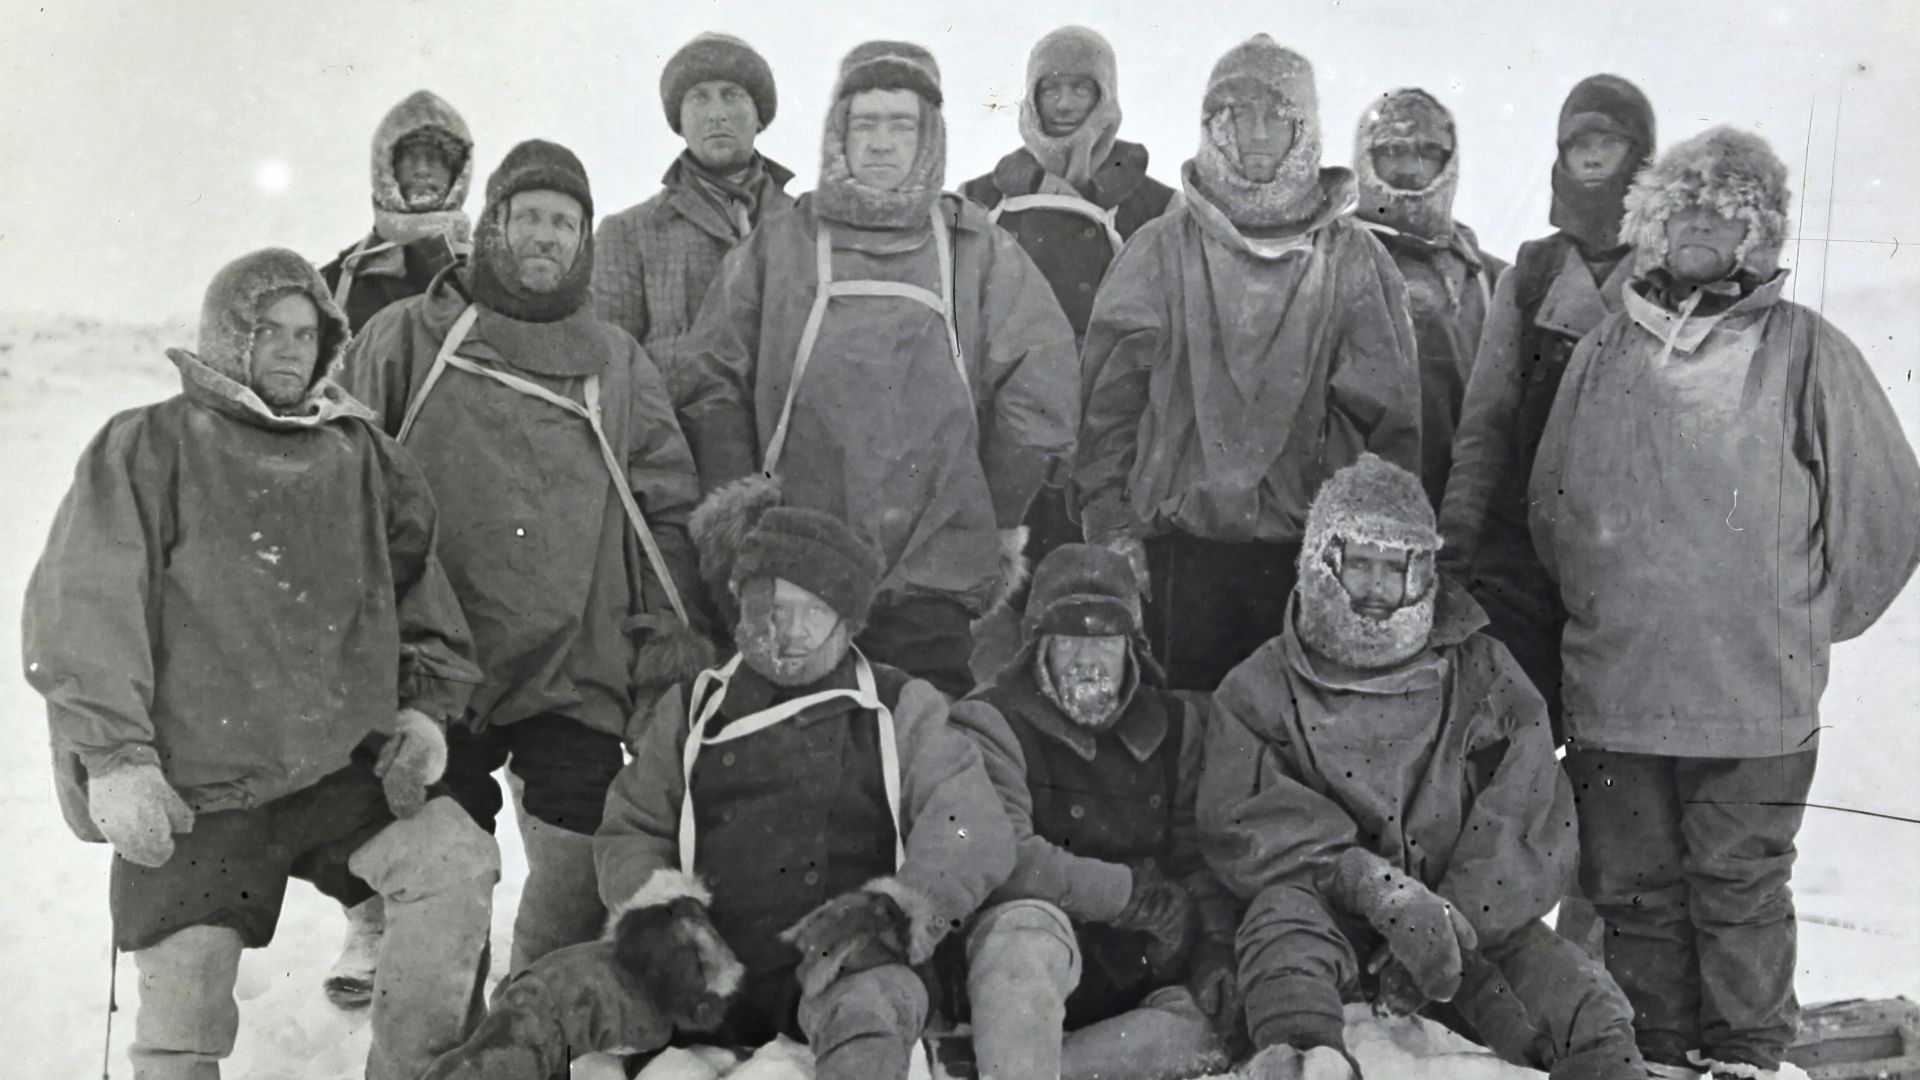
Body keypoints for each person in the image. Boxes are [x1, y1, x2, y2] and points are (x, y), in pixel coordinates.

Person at [23, 248, 497, 1080]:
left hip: (339, 774)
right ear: (226, 336)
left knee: (455, 864)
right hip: (202, 793)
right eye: (268, 330)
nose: (288, 349)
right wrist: (118, 760)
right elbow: (86, 610)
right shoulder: (149, 445)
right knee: (183, 1014)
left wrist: (422, 712)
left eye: (305, 334)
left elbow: (421, 595)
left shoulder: (362, 456)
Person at [1530, 126, 1920, 1080]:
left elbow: (1885, 509)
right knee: (1637, 898)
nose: (1701, 228)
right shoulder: (1605, 350)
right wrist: (1605, 608)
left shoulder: (1804, 350)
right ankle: (1659, 1058)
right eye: (1684, 211)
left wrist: (1801, 621)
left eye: (1726, 214)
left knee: (1740, 892)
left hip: (1754, 699)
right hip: (1620, 694)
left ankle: (1748, 1060)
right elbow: (1552, 508)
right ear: (1653, 227)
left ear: (1758, 234)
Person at [419, 505, 1015, 1080]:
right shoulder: (695, 706)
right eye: (775, 607)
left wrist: (894, 912)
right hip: (696, 970)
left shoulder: (897, 706)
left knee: (877, 1012)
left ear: (848, 620)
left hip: (837, 970)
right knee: (546, 994)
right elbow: (633, 826)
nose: (791, 630)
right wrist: (659, 912)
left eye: (815, 611)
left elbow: (970, 824)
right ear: (745, 603)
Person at [342, 139, 712, 975]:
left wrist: (668, 641)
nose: (546, 236)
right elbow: (342, 480)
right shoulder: (411, 336)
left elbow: (663, 508)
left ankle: (530, 1020)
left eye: (564, 223)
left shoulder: (616, 360)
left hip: (573, 660)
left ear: (584, 242)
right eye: (530, 217)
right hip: (437, 662)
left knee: (577, 865)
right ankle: (442, 1029)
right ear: (494, 227)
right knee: (443, 874)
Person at [1197, 454, 1645, 1080]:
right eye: (1360, 563)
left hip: (1471, 931)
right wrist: (1375, 889)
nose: (1377, 587)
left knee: (1584, 1002)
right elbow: (1246, 823)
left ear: (1424, 573)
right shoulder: (1259, 686)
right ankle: (1306, 1061)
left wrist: (1447, 926)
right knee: (1280, 934)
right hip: (1329, 918)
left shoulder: (1485, 671)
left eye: (1397, 567)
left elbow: (1526, 814)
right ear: (1323, 562)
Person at [680, 40, 1078, 697]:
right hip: (797, 563)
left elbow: (1042, 390)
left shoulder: (975, 246)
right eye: (865, 124)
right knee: (801, 740)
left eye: (902, 125)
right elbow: (709, 375)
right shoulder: (784, 241)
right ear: (838, 133)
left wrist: (991, 514)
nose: (883, 143)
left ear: (930, 137)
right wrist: (741, 508)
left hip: (931, 573)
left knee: (924, 737)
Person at [1073, 34, 1421, 692]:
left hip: (1311, 567)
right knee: (1185, 738)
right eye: (1238, 116)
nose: (1257, 135)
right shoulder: (1159, 252)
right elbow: (1108, 410)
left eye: (1277, 116)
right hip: (1174, 563)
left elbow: (1389, 431)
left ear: (1305, 129)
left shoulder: (1353, 261)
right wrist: (1112, 530)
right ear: (1212, 126)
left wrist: (1365, 561)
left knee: (1294, 742)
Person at [948, 544, 1239, 1080]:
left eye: (1105, 642)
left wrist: (1215, 944)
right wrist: (1129, 895)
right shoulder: (989, 720)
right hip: (1034, 956)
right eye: (1069, 641)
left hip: (1137, 968)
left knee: (1207, 1032)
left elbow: (1199, 854)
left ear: (1133, 649)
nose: (1088, 661)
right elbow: (1005, 857)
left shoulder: (1177, 725)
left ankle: (1017, 1067)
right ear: (1037, 646)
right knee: (1023, 934)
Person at [1438, 74, 1654, 731]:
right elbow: (1484, 428)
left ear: (1640, 154)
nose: (1591, 155)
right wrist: (1456, 550)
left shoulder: (1670, 277)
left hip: (1630, 565)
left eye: (1608, 141)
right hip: (1521, 557)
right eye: (1577, 142)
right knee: (1505, 735)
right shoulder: (1530, 276)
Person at [957, 26, 1176, 676]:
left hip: (1114, 451)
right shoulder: (983, 200)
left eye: (1083, 87)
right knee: (996, 633)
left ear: (1107, 95)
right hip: (1011, 448)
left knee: (1103, 625)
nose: (1065, 102)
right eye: (1051, 87)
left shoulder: (1157, 207)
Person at [594, 33, 796, 407]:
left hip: (790, 433)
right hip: (678, 436)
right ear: (680, 121)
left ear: (759, 116)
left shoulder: (807, 226)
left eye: (731, 95)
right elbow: (610, 373)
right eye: (699, 98)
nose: (716, 113)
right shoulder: (627, 232)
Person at [1351, 88, 1508, 508]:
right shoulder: (1326, 256)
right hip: (1349, 509)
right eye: (1391, 151)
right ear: (1366, 158)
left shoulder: (1490, 279)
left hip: (1456, 509)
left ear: (1448, 160)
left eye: (1426, 152)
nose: (1408, 167)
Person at [321, 90, 474, 333]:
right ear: (387, 167)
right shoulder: (331, 285)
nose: (422, 169)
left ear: (457, 173)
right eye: (410, 157)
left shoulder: (491, 276)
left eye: (435, 158)